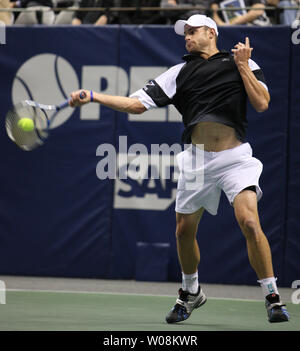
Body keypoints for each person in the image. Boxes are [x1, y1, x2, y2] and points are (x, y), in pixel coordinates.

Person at [69, 14, 290, 324]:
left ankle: (272, 297)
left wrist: (242, 65)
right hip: (197, 161)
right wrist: (93, 96)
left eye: (192, 31)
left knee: (250, 221)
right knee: (184, 231)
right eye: (184, 33)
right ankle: (190, 291)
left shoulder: (241, 62)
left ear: (211, 33)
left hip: (235, 159)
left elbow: (262, 102)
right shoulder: (179, 72)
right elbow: (136, 104)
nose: (186, 37)